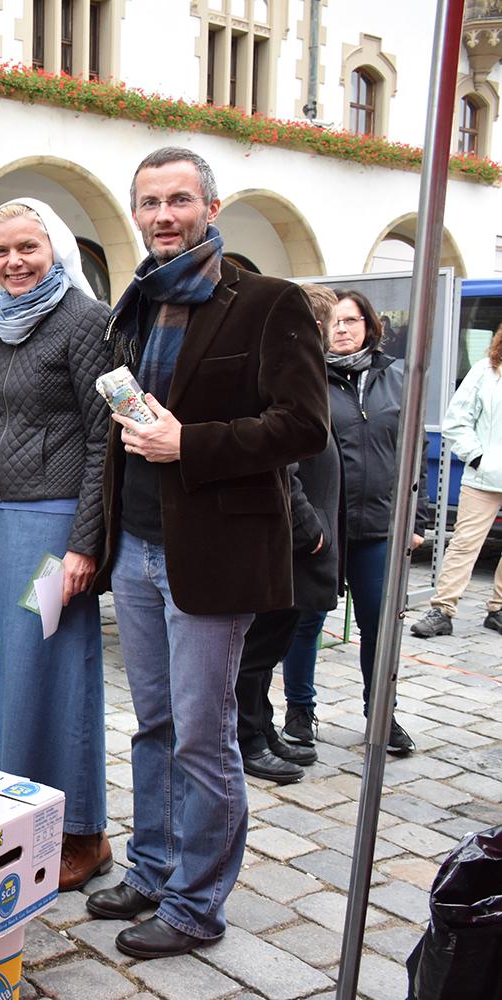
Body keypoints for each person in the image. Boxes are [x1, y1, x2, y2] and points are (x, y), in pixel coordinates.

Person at [82, 147, 327, 959]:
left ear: (210, 208)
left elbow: (303, 426)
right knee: (153, 724)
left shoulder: (269, 301)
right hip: (140, 548)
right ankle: (152, 871)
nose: (163, 216)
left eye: (179, 200)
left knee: (202, 735)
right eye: (149, 201)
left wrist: (192, 441)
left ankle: (196, 905)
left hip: (214, 555)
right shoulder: (137, 305)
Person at [0, 197, 112, 891]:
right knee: (4, 672)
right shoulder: (3, 323)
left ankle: (82, 832)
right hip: (4, 520)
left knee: (59, 672)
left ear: (56, 251)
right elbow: (15, 418)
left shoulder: (85, 320)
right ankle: (16, 814)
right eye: (2, 252)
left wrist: (84, 546)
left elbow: (106, 438)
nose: (13, 263)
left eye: (27, 250)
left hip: (54, 529)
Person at [281, 289, 425, 756]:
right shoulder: (310, 378)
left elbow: (413, 453)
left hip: (377, 526)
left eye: (353, 320)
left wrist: (416, 518)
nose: (342, 329)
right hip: (323, 527)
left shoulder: (396, 378)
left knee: (380, 625)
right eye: (335, 321)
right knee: (307, 622)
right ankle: (299, 713)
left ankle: (381, 712)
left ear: (370, 326)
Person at [234, 284, 342, 785]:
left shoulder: (313, 368)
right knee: (258, 647)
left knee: (273, 643)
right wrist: (307, 526)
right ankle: (248, 735)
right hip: (290, 536)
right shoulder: (285, 366)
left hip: (305, 532)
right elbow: (286, 463)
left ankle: (265, 727)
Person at [410, 323, 502, 638]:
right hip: (484, 476)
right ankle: (442, 610)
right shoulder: (485, 371)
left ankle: (499, 609)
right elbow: (456, 420)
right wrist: (477, 457)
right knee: (464, 544)